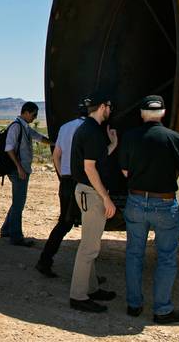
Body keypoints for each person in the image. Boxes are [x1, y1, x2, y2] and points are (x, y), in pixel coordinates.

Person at [119, 95, 179, 324]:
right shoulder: (174, 138)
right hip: (164, 205)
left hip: (135, 202)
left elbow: (125, 172)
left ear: (142, 113)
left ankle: (134, 305)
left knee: (134, 254)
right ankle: (162, 310)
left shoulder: (130, 137)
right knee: (166, 257)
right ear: (163, 113)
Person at [69, 93, 119, 313]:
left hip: (88, 192)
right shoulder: (91, 132)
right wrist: (106, 198)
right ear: (101, 107)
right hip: (92, 194)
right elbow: (90, 168)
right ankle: (78, 296)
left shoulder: (91, 130)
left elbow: (94, 160)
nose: (111, 109)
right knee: (89, 248)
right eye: (109, 106)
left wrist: (113, 144)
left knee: (89, 243)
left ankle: (91, 288)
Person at [36, 101, 88, 277]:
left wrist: (62, 174)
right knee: (87, 227)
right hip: (82, 183)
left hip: (66, 181)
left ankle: (45, 260)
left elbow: (56, 155)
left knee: (63, 223)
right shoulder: (90, 129)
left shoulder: (65, 127)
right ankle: (85, 275)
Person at [0, 102, 51, 247]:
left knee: (17, 201)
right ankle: (16, 237)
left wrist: (56, 143)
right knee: (19, 204)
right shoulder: (17, 127)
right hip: (18, 171)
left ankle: (6, 230)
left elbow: (39, 137)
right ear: (26, 112)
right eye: (34, 114)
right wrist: (19, 167)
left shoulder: (25, 127)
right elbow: (9, 148)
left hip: (22, 169)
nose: (35, 118)